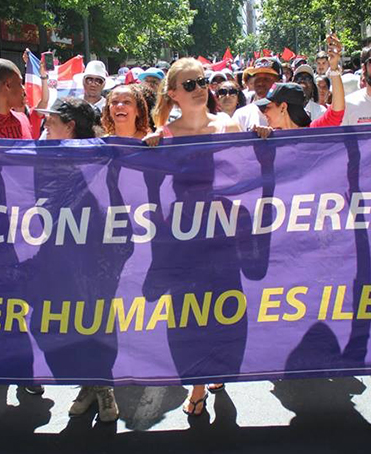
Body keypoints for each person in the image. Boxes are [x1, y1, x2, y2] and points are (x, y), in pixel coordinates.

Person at [145, 57, 240, 416]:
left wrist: (262, 141)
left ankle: (215, 368)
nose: (200, 89)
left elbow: (249, 174)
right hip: (183, 241)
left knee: (223, 309)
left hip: (224, 235)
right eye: (189, 85)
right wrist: (149, 147)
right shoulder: (164, 136)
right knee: (189, 314)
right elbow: (146, 191)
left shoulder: (229, 126)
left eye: (202, 82)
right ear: (173, 94)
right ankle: (198, 384)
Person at [33, 97, 123, 423]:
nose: (45, 128)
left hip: (97, 261)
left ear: (69, 126)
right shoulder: (43, 158)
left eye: (51, 122)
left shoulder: (101, 157)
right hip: (58, 257)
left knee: (96, 321)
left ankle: (104, 387)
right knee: (65, 323)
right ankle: (87, 384)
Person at [252, 35, 344, 137]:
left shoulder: (311, 133)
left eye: (268, 107)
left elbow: (336, 112)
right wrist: (258, 139)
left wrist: (334, 67)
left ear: (283, 108)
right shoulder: (269, 137)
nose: (264, 112)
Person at [233, 57, 282, 131]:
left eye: (267, 79)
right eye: (257, 78)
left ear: (279, 82)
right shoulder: (242, 115)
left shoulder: (289, 114)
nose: (260, 83)